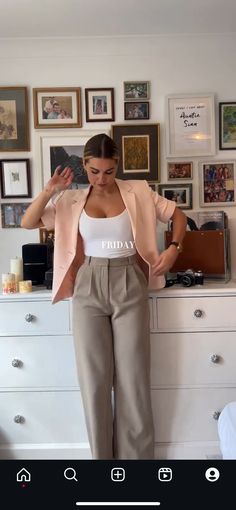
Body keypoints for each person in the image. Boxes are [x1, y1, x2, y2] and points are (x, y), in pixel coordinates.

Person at [21, 133, 187, 460]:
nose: (101, 179)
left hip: (129, 279)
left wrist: (174, 249)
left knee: (133, 379)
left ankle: (136, 466)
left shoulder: (137, 191)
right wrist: (50, 190)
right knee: (94, 382)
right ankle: (103, 466)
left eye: (108, 171)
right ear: (84, 166)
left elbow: (177, 216)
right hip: (88, 286)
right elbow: (29, 222)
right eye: (94, 171)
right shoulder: (70, 200)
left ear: (117, 166)